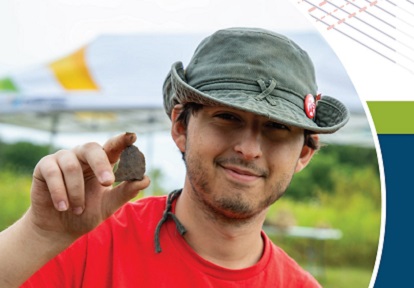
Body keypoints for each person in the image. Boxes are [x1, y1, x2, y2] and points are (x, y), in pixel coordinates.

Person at [0, 27, 349, 287]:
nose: (249, 148)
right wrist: (40, 234)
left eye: (277, 128)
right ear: (180, 126)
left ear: (304, 152)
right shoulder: (88, 242)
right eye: (227, 117)